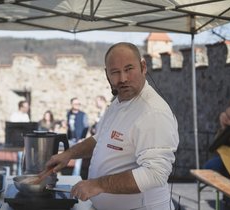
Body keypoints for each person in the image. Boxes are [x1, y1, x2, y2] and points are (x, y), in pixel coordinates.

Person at [46, 42, 179, 210]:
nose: (122, 79)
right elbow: (100, 139)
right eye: (115, 72)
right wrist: (69, 154)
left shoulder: (153, 112)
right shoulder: (118, 102)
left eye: (129, 69)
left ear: (143, 67)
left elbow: (155, 174)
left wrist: (97, 185)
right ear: (107, 75)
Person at [66, 97, 89, 176]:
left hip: (79, 140)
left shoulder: (83, 115)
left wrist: (82, 138)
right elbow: (69, 127)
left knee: (79, 156)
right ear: (72, 104)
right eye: (76, 104)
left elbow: (86, 127)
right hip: (70, 139)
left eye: (78, 104)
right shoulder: (69, 114)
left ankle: (75, 175)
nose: (77, 105)